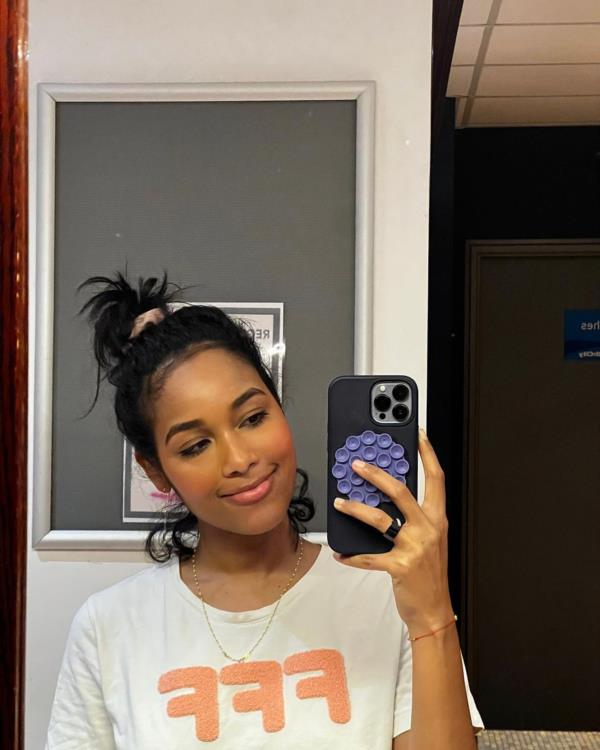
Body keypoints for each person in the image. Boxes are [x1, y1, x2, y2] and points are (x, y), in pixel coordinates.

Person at [45, 271, 484, 749]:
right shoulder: (108, 627)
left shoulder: (387, 593)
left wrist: (432, 615)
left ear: (280, 407)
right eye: (195, 446)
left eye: (253, 417)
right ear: (155, 471)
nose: (239, 459)